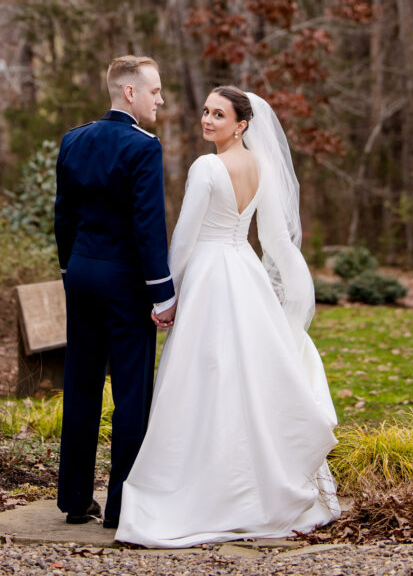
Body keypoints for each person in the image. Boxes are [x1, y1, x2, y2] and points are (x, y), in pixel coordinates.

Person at [117, 86, 340, 548]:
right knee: (243, 377)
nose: (207, 120)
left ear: (241, 124)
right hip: (245, 271)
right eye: (205, 111)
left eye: (219, 114)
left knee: (204, 378)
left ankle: (206, 489)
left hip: (210, 275)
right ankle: (250, 484)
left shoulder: (207, 167)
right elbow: (275, 237)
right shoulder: (261, 165)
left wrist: (166, 296)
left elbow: (184, 236)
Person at [54, 55, 176, 529]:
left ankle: (74, 500)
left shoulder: (73, 140)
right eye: (155, 91)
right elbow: (148, 226)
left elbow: (63, 215)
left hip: (81, 274)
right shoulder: (144, 147)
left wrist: (70, 268)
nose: (160, 99)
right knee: (131, 394)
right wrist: (162, 293)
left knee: (80, 386)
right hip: (127, 283)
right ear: (130, 93)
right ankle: (121, 508)